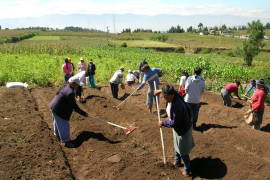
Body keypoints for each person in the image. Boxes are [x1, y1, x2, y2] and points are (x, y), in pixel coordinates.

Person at [154, 85, 195, 177]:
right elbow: (172, 90)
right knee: (176, 145)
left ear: (171, 95)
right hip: (178, 128)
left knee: (183, 150)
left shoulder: (177, 106)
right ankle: (177, 161)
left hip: (182, 129)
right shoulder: (173, 94)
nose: (166, 99)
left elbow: (175, 123)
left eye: (167, 97)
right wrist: (160, 91)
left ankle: (187, 169)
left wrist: (163, 123)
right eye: (164, 97)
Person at [49, 78, 88, 148]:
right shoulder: (70, 92)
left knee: (56, 122)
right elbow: (74, 107)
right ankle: (67, 142)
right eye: (77, 85)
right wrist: (84, 113)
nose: (78, 86)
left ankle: (56, 135)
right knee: (64, 125)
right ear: (74, 84)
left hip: (53, 106)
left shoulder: (65, 86)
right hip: (59, 110)